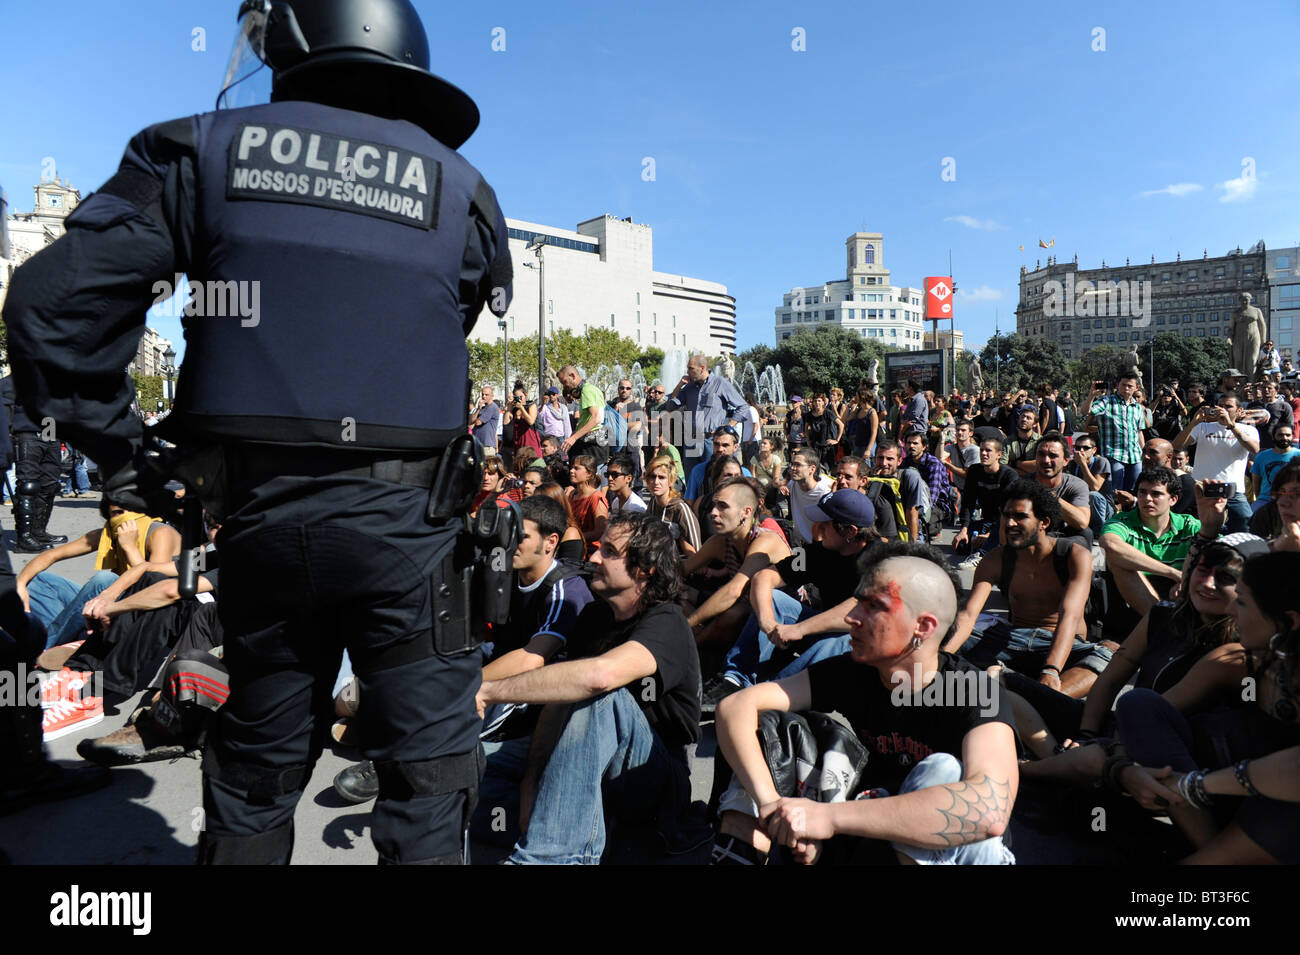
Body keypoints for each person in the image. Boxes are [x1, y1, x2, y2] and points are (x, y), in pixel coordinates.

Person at [3, 0, 514, 864]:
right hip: (414, 538)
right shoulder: (461, 191)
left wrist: (129, 458)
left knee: (255, 778)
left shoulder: (200, 149)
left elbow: (50, 307)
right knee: (429, 789)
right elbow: (432, 332)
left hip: (262, 527)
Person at [714, 541, 1017, 866]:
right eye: (857, 602)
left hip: (958, 850)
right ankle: (739, 855)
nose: (851, 617)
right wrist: (773, 804)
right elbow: (737, 707)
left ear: (923, 627)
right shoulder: (856, 671)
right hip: (874, 825)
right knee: (773, 731)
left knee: (941, 770)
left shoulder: (973, 691)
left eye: (873, 606)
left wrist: (828, 818)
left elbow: (989, 811)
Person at [477, 513, 704, 865]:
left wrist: (490, 691)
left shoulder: (668, 622)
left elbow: (599, 677)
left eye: (609, 552)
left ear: (645, 570)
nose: (594, 558)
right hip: (582, 759)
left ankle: (548, 856)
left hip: (649, 779)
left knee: (600, 697)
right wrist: (531, 780)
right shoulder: (594, 617)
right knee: (478, 765)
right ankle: (576, 832)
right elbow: (556, 704)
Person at [1115, 551, 1300, 863]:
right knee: (1138, 703)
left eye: (1241, 601)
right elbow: (1152, 716)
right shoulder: (1239, 659)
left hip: (1279, 806)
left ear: (1289, 621)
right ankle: (1212, 847)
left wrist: (1192, 786)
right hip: (1229, 793)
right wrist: (1122, 769)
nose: (1230, 609)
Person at [707, 488, 878, 705]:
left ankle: (771, 697)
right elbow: (763, 577)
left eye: (824, 524)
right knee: (776, 599)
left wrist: (799, 629)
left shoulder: (880, 559)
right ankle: (734, 680)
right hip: (821, 628)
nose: (816, 529)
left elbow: (857, 610)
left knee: (840, 643)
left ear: (850, 532)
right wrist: (768, 623)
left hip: (859, 639)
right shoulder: (818, 552)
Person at [944, 482, 1113, 698]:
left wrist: (1051, 669)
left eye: (1020, 516)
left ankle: (1039, 695)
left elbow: (1068, 616)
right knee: (943, 631)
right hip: (1012, 640)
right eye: (1006, 516)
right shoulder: (996, 558)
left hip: (1059, 644)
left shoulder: (1074, 556)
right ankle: (1029, 693)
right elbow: (968, 615)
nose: (1009, 523)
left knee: (1114, 653)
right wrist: (941, 659)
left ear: (1044, 522)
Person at [682, 478, 792, 650]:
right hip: (749, 609)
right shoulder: (720, 541)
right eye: (714, 505)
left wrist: (687, 625)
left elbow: (734, 591)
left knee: (734, 614)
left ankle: (690, 652)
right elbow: (682, 569)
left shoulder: (765, 540)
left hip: (782, 618)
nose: (713, 512)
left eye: (722, 506)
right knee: (679, 596)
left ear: (746, 512)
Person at [1100, 466, 1217, 617]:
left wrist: (1213, 523)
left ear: (1173, 499)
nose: (1147, 498)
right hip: (1133, 600)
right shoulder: (1123, 521)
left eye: (1156, 494)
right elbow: (1110, 544)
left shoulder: (1189, 525)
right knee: (1117, 561)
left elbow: (1221, 552)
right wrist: (1173, 573)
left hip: (1181, 596)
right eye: (1142, 492)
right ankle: (1160, 623)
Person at [1173, 390, 1260, 534]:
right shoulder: (1203, 427)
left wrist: (1231, 426)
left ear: (1239, 411)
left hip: (1233, 490)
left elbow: (1254, 448)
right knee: (1199, 529)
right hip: (1203, 487)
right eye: (1220, 405)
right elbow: (1176, 446)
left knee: (1245, 526)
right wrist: (1194, 422)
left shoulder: (1248, 430)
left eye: (1228, 406)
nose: (1222, 409)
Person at [1, 375, 67, 553]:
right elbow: (5, 403)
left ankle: (38, 532)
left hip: (50, 434)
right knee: (28, 486)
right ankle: (24, 538)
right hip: (27, 434)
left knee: (50, 485)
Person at [661, 352, 746, 480]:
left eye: (691, 368)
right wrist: (679, 385)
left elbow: (743, 407)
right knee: (692, 478)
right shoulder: (688, 388)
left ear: (702, 368)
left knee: (713, 477)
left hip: (711, 440)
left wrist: (728, 426)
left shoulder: (720, 383)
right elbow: (669, 407)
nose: (688, 372)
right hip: (691, 440)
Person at [953, 437, 1017, 568]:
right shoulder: (974, 471)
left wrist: (990, 534)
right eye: (981, 450)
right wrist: (963, 529)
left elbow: (1009, 510)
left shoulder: (1009, 475)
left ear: (999, 454)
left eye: (988, 450)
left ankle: (981, 556)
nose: (983, 454)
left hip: (1005, 522)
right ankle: (988, 546)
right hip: (986, 521)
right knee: (962, 546)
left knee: (991, 542)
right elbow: (968, 502)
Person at [1088, 374, 1147, 494]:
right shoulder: (1106, 401)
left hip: (1135, 456)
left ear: (1136, 388)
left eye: (1130, 386)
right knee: (1115, 491)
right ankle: (1114, 512)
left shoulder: (1138, 407)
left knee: (1134, 491)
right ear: (1118, 385)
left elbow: (1139, 431)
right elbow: (1086, 411)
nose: (1126, 388)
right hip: (1114, 455)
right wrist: (1092, 395)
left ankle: (1128, 512)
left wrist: (1144, 452)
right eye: (1123, 385)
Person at [644, 452, 700, 556]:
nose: (656, 482)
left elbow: (696, 550)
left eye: (661, 477)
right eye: (652, 476)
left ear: (671, 481)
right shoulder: (653, 503)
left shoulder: (681, 509)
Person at [871, 439, 927, 543]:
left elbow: (912, 512)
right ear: (875, 459)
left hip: (907, 530)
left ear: (899, 461)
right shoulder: (869, 478)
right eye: (880, 458)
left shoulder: (909, 477)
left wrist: (911, 546)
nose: (884, 463)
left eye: (890, 459)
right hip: (880, 532)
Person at [558, 365, 610, 467]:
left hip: (592, 446)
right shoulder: (591, 389)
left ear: (572, 376)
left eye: (565, 382)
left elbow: (596, 418)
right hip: (595, 444)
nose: (564, 386)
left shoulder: (587, 390)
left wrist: (573, 438)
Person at [1065, 435, 1115, 535]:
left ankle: (1098, 532)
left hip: (1104, 508)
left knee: (1093, 495)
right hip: (1082, 505)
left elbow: (1095, 487)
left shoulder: (1101, 462)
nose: (1081, 451)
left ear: (1094, 450)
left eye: (1086, 448)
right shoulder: (1073, 464)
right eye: (1078, 448)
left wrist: (1083, 465)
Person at [785, 447, 834, 543]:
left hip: (819, 544)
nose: (792, 468)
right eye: (792, 464)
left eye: (798, 465)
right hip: (799, 543)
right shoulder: (793, 484)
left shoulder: (825, 492)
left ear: (812, 469)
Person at [533, 482, 587, 563]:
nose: (535, 507)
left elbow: (568, 569)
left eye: (540, 503)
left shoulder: (569, 533)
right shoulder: (536, 528)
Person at [565, 455, 608, 556]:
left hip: (589, 551)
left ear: (589, 474)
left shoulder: (596, 497)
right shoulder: (571, 494)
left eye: (577, 468)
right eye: (572, 467)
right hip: (572, 546)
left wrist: (573, 537)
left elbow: (600, 531)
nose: (571, 471)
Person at [1250, 424, 1299, 512]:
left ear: (1292, 437)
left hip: (1293, 499)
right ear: (1273, 437)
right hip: (1265, 500)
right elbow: (1256, 482)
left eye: (1288, 435)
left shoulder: (1298, 455)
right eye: (1280, 435)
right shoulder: (1262, 456)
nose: (1284, 438)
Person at [802, 393, 842, 469]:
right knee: (815, 467)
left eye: (819, 401)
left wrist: (837, 440)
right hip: (815, 446)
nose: (817, 403)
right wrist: (808, 440)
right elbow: (806, 427)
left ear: (823, 402)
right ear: (813, 402)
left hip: (826, 446)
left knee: (828, 468)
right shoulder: (809, 415)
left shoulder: (827, 413)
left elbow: (841, 425)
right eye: (815, 401)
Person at [470, 385, 501, 457]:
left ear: (492, 396)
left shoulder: (492, 407)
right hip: (478, 444)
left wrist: (475, 420)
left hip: (487, 446)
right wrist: (478, 409)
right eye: (482, 394)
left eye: (486, 395)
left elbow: (478, 422)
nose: (484, 396)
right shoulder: (482, 408)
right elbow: (471, 422)